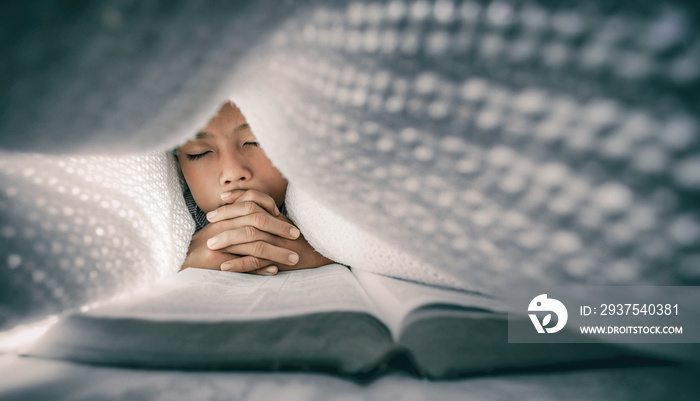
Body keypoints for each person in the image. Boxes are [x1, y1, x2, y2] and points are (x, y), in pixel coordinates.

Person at [175, 101, 333, 275]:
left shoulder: (322, 209)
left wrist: (318, 255)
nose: (232, 173)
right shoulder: (173, 220)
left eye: (255, 142)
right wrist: (183, 260)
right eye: (200, 153)